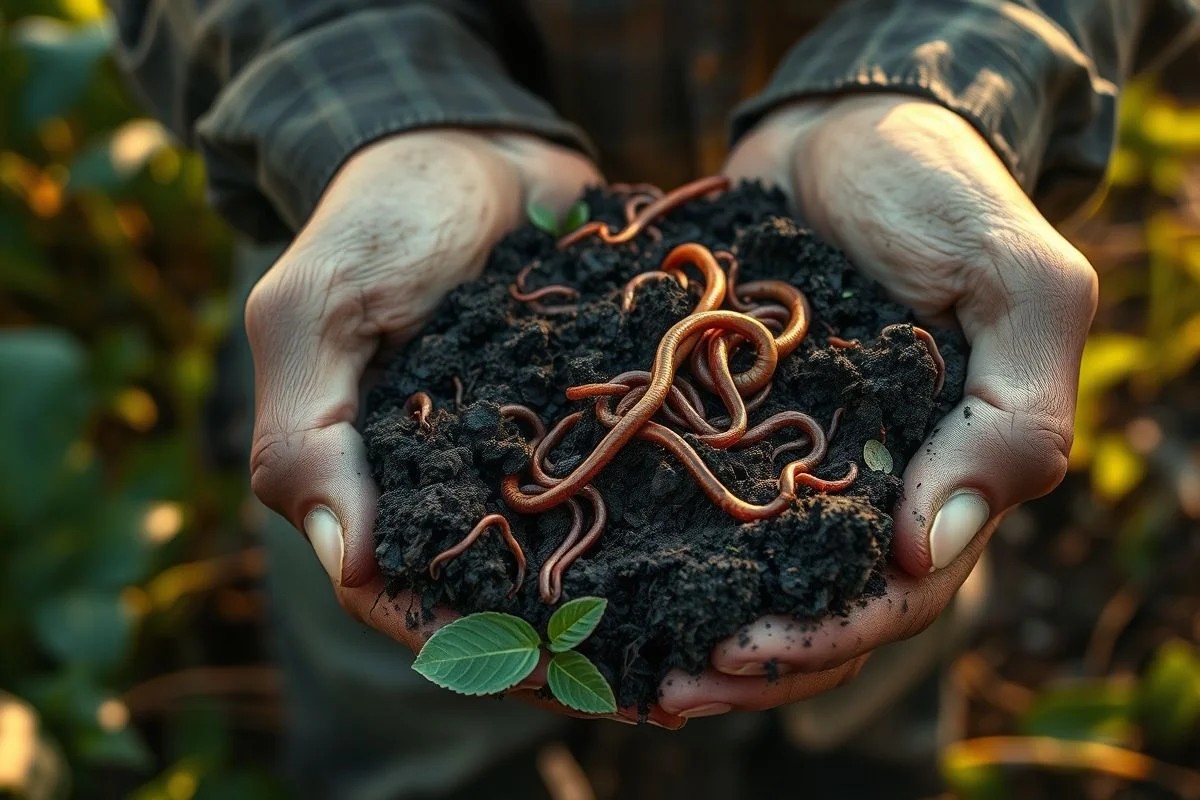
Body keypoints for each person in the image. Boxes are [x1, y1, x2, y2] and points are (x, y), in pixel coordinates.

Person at [110, 0, 1199, 796]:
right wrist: (379, 115)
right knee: (401, 691)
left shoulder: (736, 356)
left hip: (852, 239)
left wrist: (941, 88)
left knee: (862, 625)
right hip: (373, 222)